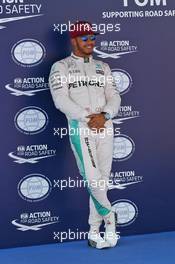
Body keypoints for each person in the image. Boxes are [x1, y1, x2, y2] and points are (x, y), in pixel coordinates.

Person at [49, 21, 121, 249]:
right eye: (85, 38)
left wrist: (106, 115)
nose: (90, 42)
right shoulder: (60, 67)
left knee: (102, 181)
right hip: (82, 129)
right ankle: (111, 220)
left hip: (105, 127)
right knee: (93, 179)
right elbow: (60, 100)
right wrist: (87, 117)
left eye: (92, 37)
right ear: (74, 41)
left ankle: (93, 233)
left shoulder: (104, 67)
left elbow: (115, 96)